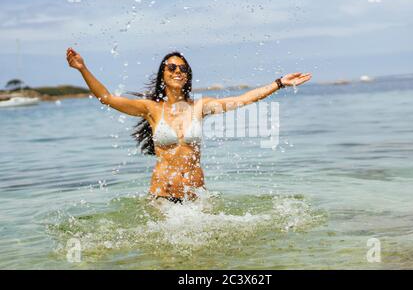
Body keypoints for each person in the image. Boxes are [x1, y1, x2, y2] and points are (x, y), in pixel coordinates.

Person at [66, 48, 311, 203]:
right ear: (163, 74)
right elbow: (107, 98)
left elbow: (243, 99)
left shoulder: (200, 107)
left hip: (196, 195)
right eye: (171, 67)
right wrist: (82, 68)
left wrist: (279, 83)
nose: (177, 71)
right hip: (162, 195)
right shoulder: (151, 109)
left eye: (183, 68)